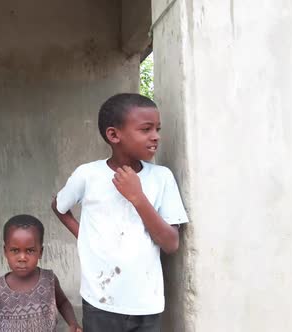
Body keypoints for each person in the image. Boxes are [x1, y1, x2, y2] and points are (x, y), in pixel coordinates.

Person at [52, 93, 189, 332]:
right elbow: (59, 206)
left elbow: (171, 243)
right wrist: (84, 235)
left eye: (157, 129)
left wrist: (137, 197)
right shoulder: (88, 175)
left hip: (147, 304)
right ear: (114, 135)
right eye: (146, 129)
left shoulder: (162, 178)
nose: (155, 136)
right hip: (100, 301)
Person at [0, 215, 82, 332]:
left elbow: (63, 303)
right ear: (5, 251)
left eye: (30, 250)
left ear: (40, 252)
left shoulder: (49, 280)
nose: (22, 258)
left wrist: (73, 323)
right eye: (15, 250)